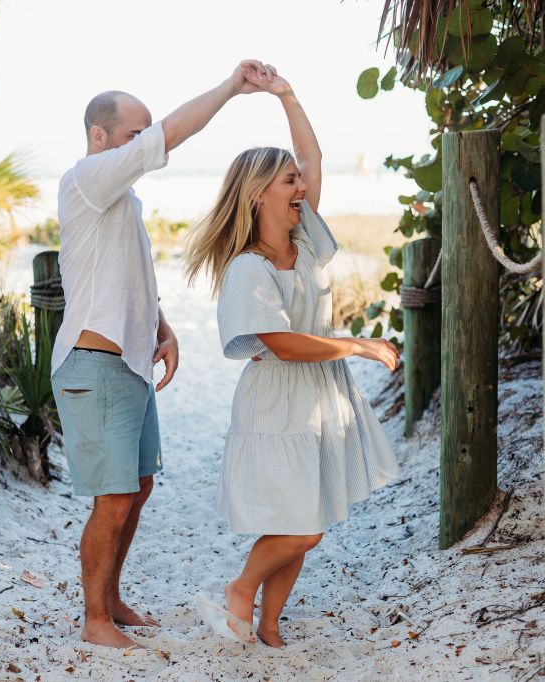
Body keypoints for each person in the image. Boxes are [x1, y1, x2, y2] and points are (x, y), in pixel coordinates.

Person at [50, 60, 274, 650]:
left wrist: (164, 328)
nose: (142, 146)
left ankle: (111, 599)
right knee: (115, 497)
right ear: (100, 137)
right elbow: (173, 132)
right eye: (133, 135)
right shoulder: (87, 177)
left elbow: (128, 278)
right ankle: (93, 621)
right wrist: (230, 88)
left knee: (139, 487)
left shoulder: (123, 202)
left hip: (128, 365)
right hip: (92, 365)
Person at [184, 66, 401, 647]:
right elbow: (279, 344)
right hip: (278, 402)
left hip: (320, 398)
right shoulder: (247, 269)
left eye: (299, 181)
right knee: (300, 527)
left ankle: (271, 621)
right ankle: (239, 588)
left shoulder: (305, 242)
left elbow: (313, 155)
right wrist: (357, 344)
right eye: (288, 182)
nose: (301, 187)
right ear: (259, 194)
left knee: (309, 520)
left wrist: (286, 94)